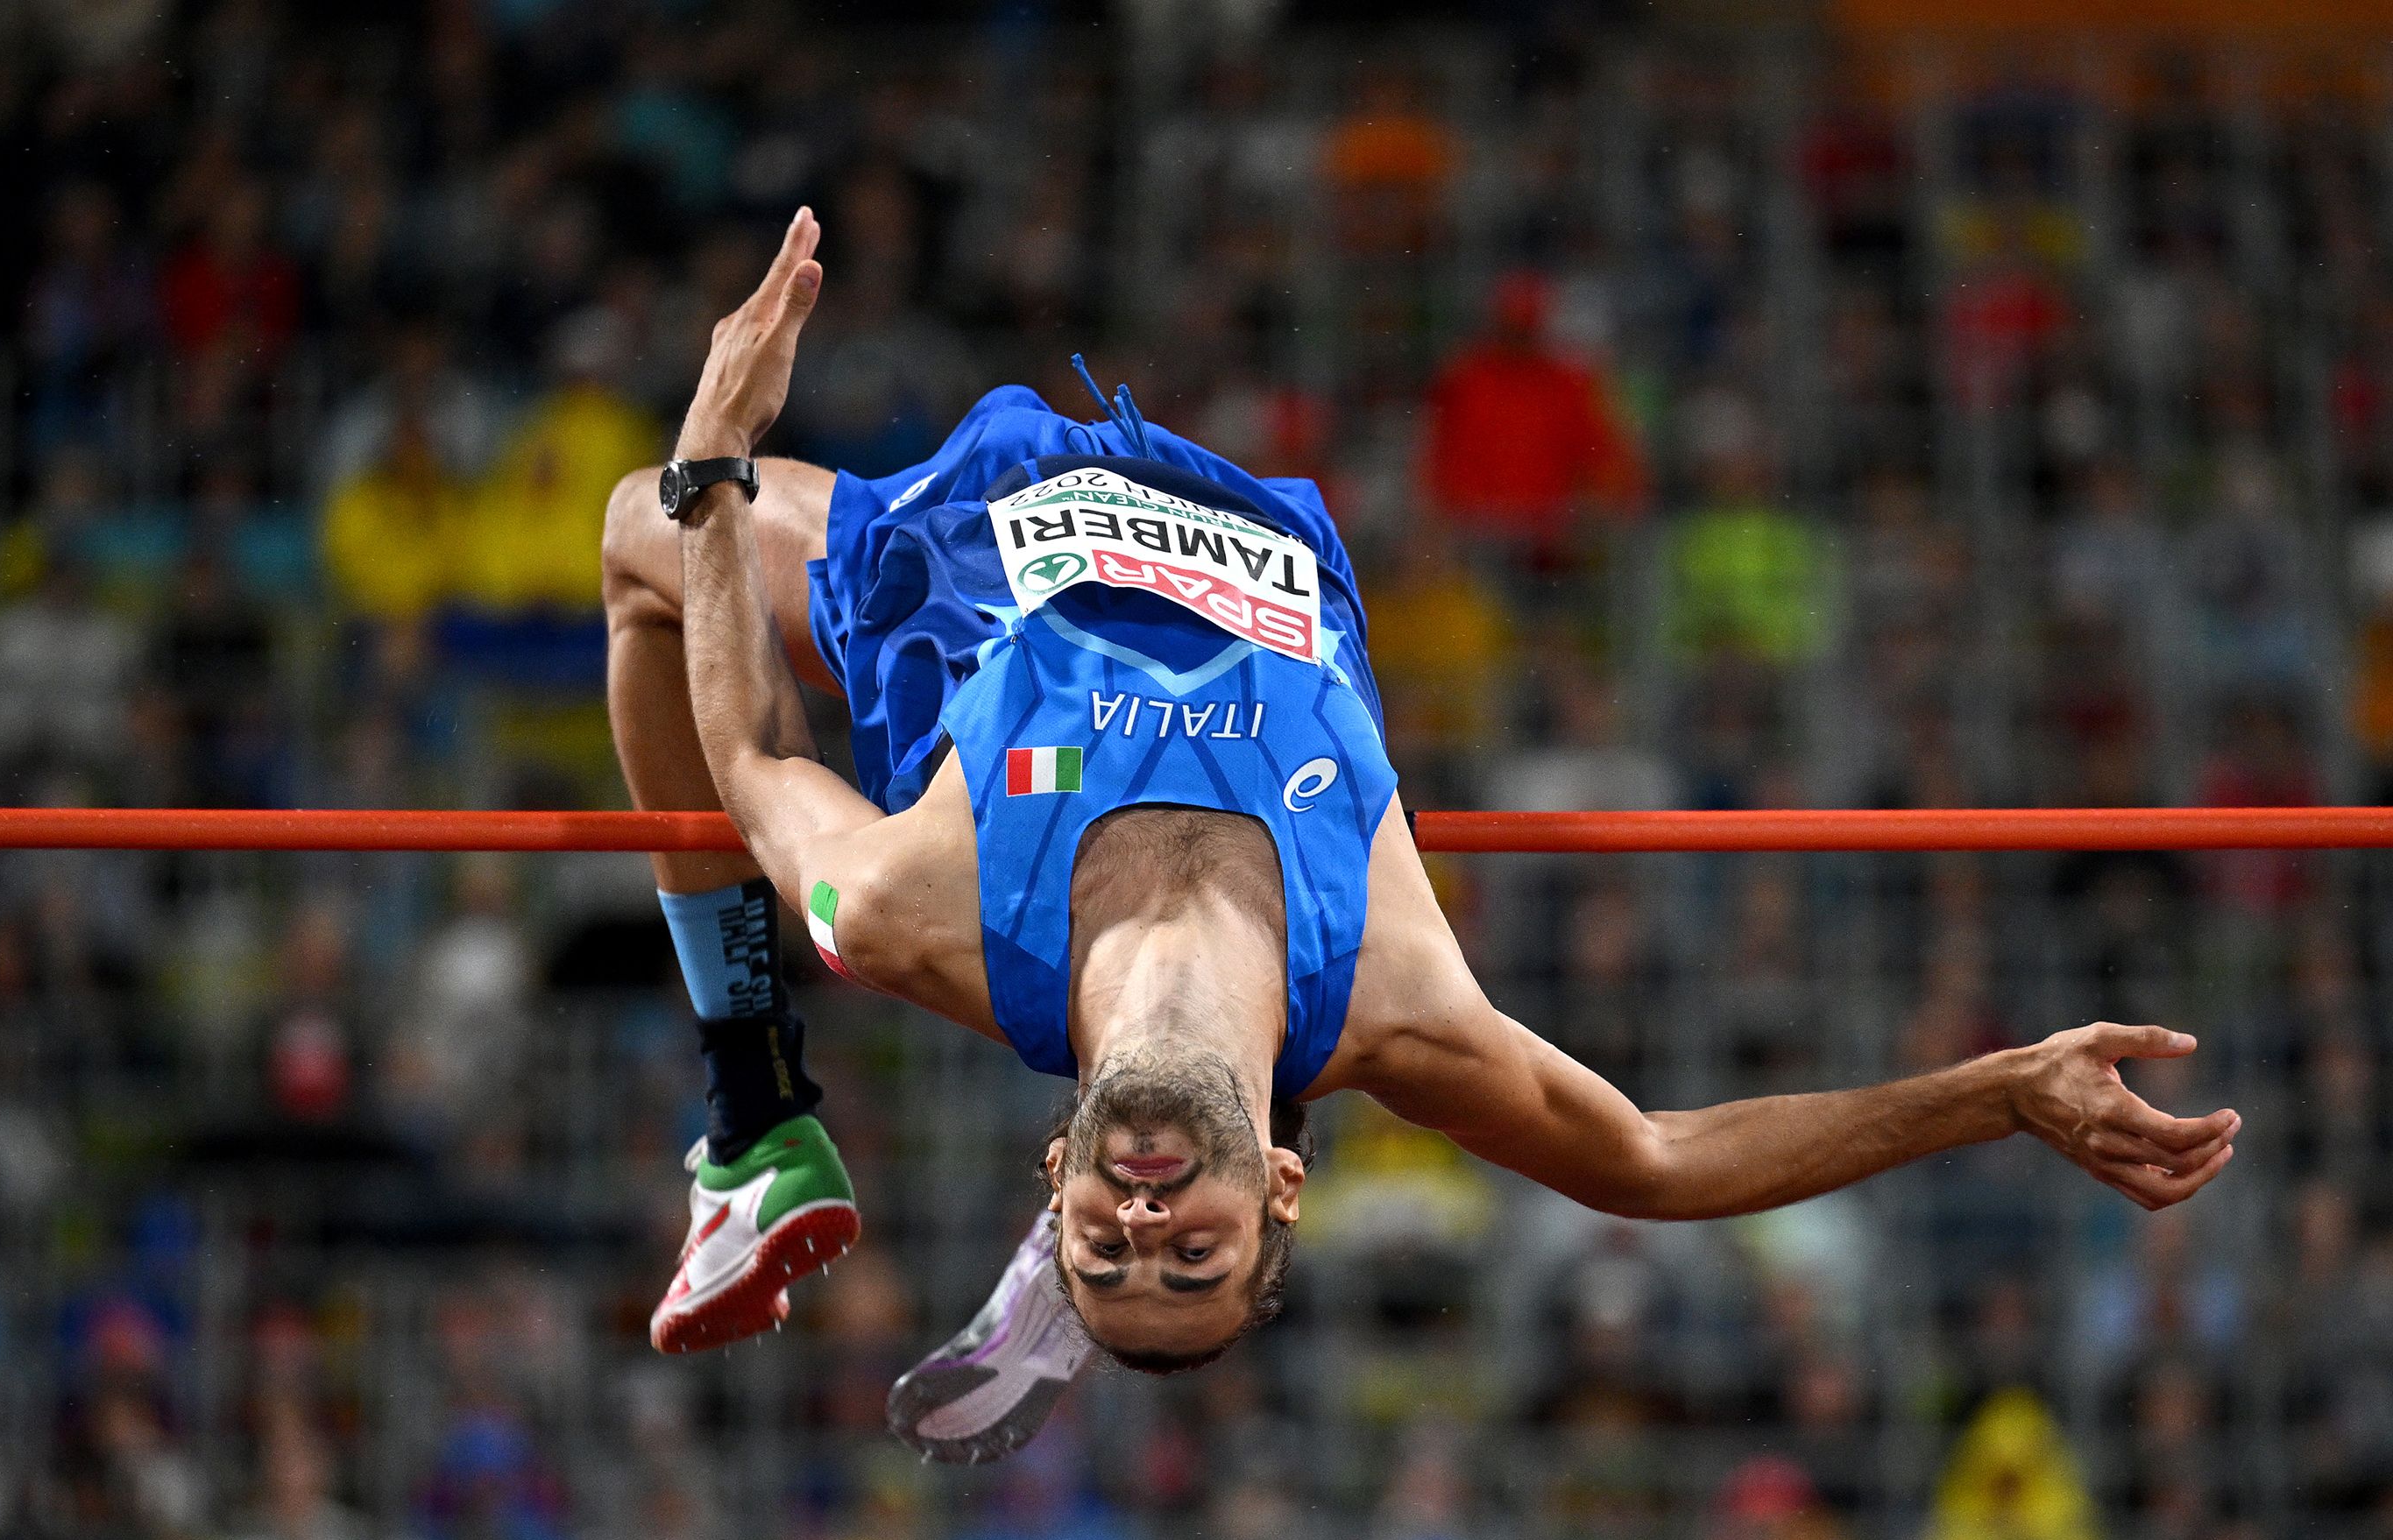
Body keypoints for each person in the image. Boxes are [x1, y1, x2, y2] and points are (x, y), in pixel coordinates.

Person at [603, 210, 2240, 1462]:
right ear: (1285, 1194)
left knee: (632, 540)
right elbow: (1661, 1164)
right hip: (1228, 558)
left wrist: (711, 463)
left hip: (988, 576)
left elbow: (747, 754)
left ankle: (753, 1119)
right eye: (1194, 1260)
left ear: (1063, 1183)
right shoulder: (1389, 996)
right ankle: (773, 1147)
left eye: (1109, 1253)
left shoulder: (910, 907)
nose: (1149, 1232)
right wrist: (1998, 1093)